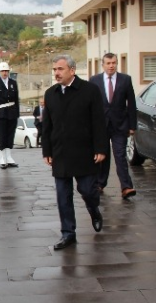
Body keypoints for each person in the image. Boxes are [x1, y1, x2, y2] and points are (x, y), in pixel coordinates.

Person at [42, 54, 107, 250]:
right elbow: (47, 125)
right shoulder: (50, 93)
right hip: (60, 153)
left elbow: (98, 122)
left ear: (72, 70)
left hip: (84, 152)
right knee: (63, 196)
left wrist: (101, 148)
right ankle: (68, 233)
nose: (56, 73)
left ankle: (94, 210)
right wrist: (47, 150)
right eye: (54, 70)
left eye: (60, 69)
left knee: (88, 190)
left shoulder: (89, 91)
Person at [89, 53, 138, 199]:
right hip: (101, 125)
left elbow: (131, 104)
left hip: (120, 125)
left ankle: (126, 186)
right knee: (102, 156)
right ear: (103, 65)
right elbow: (90, 104)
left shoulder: (125, 80)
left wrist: (132, 125)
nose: (111, 66)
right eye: (108, 63)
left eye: (114, 63)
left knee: (120, 155)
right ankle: (100, 183)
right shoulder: (94, 80)